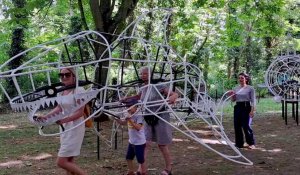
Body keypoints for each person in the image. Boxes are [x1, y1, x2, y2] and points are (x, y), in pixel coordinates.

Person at [122, 66, 178, 175]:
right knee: (145, 143)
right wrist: (126, 99)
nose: (143, 76)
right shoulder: (143, 87)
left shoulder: (158, 85)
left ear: (151, 74)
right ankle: (141, 169)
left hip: (160, 116)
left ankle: (168, 168)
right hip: (147, 117)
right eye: (142, 74)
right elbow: (137, 97)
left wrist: (174, 96)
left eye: (146, 74)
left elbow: (173, 94)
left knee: (162, 145)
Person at [37, 67, 87, 175]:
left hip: (75, 127)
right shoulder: (61, 90)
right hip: (65, 127)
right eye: (61, 75)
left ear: (74, 76)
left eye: (67, 74)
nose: (64, 77)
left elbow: (80, 112)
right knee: (69, 160)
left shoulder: (79, 90)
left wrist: (64, 120)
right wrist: (46, 116)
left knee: (61, 161)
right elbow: (59, 108)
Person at [115, 99, 147, 175]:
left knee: (141, 160)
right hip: (132, 141)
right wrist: (117, 119)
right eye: (127, 107)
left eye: (130, 106)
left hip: (139, 142)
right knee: (128, 158)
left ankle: (144, 172)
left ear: (136, 107)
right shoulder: (128, 114)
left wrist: (130, 120)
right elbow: (123, 122)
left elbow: (138, 128)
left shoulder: (139, 115)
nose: (128, 108)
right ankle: (131, 171)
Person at [229, 72, 256, 149]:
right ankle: (239, 144)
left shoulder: (250, 88)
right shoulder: (235, 88)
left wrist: (252, 110)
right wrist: (232, 95)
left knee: (246, 125)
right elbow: (233, 100)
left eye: (242, 78)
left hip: (246, 107)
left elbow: (253, 100)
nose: (240, 79)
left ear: (246, 79)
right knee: (237, 126)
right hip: (237, 107)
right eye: (239, 78)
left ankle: (251, 143)